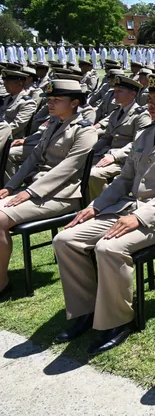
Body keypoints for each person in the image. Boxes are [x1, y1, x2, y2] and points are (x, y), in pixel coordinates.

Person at [51, 74, 155, 355]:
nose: (151, 104)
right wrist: (95, 206)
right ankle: (85, 311)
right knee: (66, 241)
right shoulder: (145, 134)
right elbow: (124, 180)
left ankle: (118, 321)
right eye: (150, 98)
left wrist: (140, 216)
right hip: (122, 210)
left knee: (109, 248)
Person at [0, 80, 98, 298]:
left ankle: (2, 283)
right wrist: (10, 185)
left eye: (56, 100)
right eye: (49, 100)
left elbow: (67, 168)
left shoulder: (85, 131)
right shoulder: (53, 124)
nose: (50, 104)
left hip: (63, 195)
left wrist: (30, 192)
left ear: (74, 103)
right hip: (37, 190)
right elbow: (33, 158)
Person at [88, 76, 151, 201]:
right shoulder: (116, 112)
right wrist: (90, 150)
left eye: (119, 91)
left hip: (126, 160)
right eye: (115, 91)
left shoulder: (141, 115)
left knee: (93, 174)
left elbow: (139, 142)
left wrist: (115, 156)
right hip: (107, 154)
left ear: (133, 94)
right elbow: (106, 138)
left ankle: (104, 204)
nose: (115, 94)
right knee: (79, 165)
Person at [0, 69, 37, 140]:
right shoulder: (7, 98)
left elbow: (17, 126)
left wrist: (2, 132)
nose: (4, 84)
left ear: (19, 84)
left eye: (7, 82)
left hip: (10, 138)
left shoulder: (27, 103)